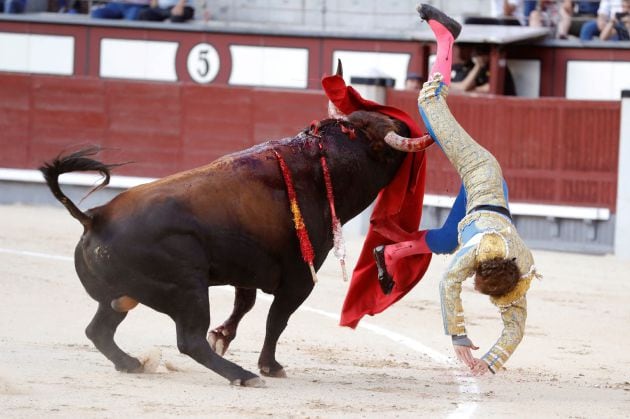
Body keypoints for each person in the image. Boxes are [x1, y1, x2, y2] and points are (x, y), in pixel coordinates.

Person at [374, 4, 540, 375]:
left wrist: (490, 363)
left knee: (449, 239)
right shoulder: (483, 252)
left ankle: (390, 252)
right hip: (481, 171)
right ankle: (446, 37)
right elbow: (450, 280)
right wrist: (459, 336)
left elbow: (515, 328)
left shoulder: (521, 273)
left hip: (487, 201)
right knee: (428, 100)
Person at [449, 44, 517, 96]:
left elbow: (488, 88)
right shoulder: (468, 66)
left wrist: (478, 65)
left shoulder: (497, 68)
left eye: (480, 53)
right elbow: (464, 86)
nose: (476, 55)